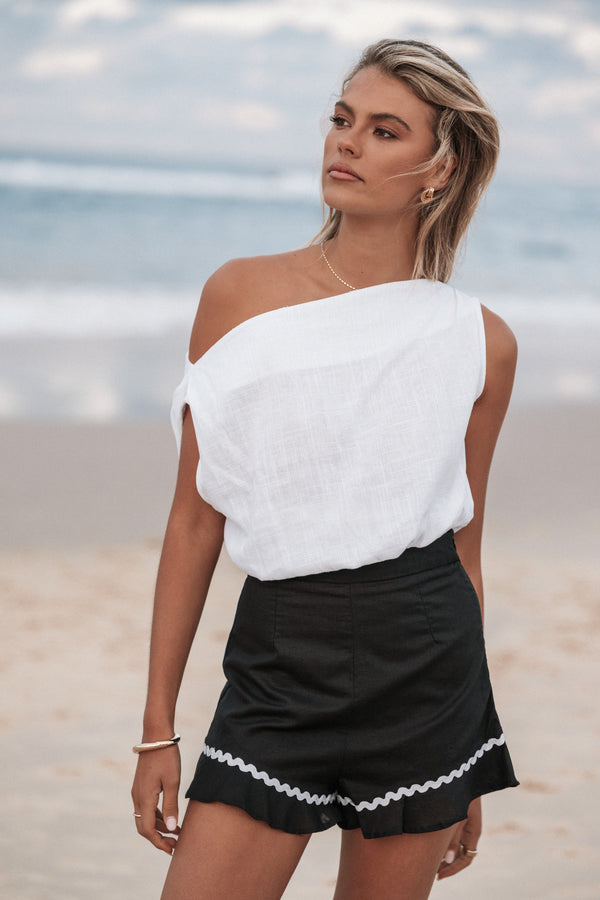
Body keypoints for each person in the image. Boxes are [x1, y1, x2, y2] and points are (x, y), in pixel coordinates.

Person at [131, 38, 519, 900]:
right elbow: (194, 521)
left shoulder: (480, 342)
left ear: (440, 171)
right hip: (279, 662)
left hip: (426, 670)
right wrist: (158, 726)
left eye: (384, 130)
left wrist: (468, 755)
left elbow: (465, 550)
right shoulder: (237, 298)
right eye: (343, 119)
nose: (346, 141)